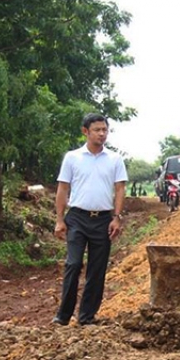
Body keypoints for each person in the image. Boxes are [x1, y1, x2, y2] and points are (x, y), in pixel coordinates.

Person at [53, 113, 128, 326]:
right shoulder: (72, 157)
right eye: (97, 130)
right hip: (77, 217)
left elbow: (120, 188)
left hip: (103, 220)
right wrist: (59, 220)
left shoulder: (115, 159)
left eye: (105, 130)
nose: (102, 134)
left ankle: (87, 316)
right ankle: (63, 316)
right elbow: (63, 188)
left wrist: (117, 217)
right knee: (73, 264)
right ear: (85, 131)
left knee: (97, 269)